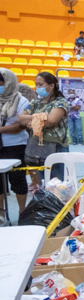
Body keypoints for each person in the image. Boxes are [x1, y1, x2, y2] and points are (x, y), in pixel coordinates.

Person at [18, 72, 70, 185]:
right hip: (36, 146)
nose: (37, 87)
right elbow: (21, 118)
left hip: (56, 147)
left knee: (58, 184)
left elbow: (51, 120)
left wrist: (31, 120)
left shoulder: (60, 102)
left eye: (40, 84)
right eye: (36, 84)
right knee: (40, 183)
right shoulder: (35, 103)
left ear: (51, 86)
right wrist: (39, 118)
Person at [0, 69, 30, 218]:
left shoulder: (21, 101)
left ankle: (22, 211)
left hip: (15, 145)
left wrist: (0, 130)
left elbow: (20, 126)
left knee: (17, 178)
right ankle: (1, 214)